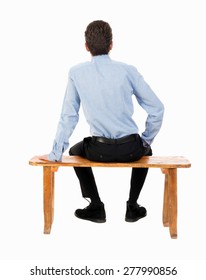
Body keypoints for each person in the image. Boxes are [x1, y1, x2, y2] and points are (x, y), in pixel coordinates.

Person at [40, 20, 164, 224]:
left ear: (86, 46)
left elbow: (69, 116)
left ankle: (96, 205)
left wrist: (55, 153)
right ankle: (132, 206)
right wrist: (146, 139)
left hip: (99, 150)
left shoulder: (76, 73)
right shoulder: (128, 70)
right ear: (111, 45)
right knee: (147, 151)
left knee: (74, 151)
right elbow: (157, 108)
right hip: (131, 149)